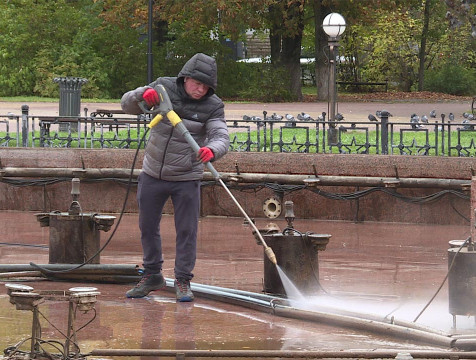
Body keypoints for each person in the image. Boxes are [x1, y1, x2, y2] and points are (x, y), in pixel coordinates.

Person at [121, 53, 229, 302]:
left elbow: (220, 135)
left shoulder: (213, 106)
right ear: (185, 78)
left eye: (206, 86)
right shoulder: (163, 87)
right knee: (147, 227)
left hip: (186, 177)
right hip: (153, 173)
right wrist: (141, 95)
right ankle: (152, 275)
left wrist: (213, 150)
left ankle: (182, 279)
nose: (200, 90)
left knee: (187, 230)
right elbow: (126, 105)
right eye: (196, 84)